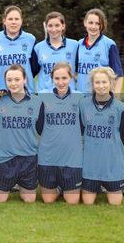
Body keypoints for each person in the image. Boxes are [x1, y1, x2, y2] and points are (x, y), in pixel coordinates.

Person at [0, 64, 44, 203]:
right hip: (5, 158)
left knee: (30, 199)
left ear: (25, 79)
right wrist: (8, 135)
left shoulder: (37, 102)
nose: (13, 83)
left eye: (17, 79)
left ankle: (19, 183)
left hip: (28, 157)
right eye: (9, 80)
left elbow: (40, 128)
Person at [80, 67, 124, 206]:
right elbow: (80, 130)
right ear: (92, 84)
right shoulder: (83, 104)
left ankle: (110, 183)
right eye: (97, 82)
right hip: (90, 164)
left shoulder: (121, 108)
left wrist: (110, 145)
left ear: (111, 83)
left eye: (104, 82)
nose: (101, 86)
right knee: (87, 203)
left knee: (115, 204)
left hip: (112, 164)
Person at [37, 62, 83, 204]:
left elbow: (84, 125)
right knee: (48, 200)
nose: (61, 82)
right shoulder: (43, 97)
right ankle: (57, 187)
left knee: (72, 201)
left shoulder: (80, 98)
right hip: (48, 155)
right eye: (57, 78)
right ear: (52, 79)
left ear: (71, 77)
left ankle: (68, 187)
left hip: (71, 157)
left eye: (64, 78)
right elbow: (38, 126)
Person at [0, 6, 39, 93]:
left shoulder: (30, 39)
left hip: (26, 92)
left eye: (16, 19)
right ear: (4, 21)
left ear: (21, 21)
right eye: (10, 19)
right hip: (1, 93)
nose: (13, 22)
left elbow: (35, 67)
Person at [76, 9, 124, 95]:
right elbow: (74, 73)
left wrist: (116, 98)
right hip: (80, 97)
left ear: (102, 25)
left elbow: (119, 75)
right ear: (85, 23)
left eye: (97, 23)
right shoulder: (78, 44)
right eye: (90, 23)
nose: (93, 27)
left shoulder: (109, 44)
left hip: (101, 97)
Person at [33, 12, 79, 91]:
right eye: (50, 26)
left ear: (63, 26)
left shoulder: (75, 45)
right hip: (45, 95)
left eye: (57, 25)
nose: (53, 29)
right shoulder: (38, 47)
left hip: (68, 95)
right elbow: (33, 72)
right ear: (46, 27)